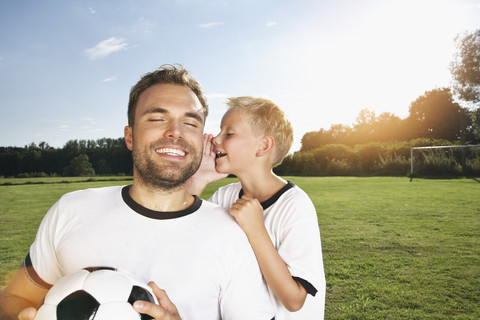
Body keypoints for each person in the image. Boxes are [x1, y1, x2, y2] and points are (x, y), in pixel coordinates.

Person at [0, 65, 275, 320]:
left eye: (190, 123)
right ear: (130, 136)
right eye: (157, 118)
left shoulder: (231, 234)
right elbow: (14, 297)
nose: (175, 132)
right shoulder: (71, 209)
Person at [188, 96, 326, 319]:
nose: (214, 138)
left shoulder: (294, 205)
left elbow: (294, 300)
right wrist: (197, 181)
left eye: (228, 133)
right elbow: (186, 244)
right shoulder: (224, 196)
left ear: (263, 146)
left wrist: (255, 228)